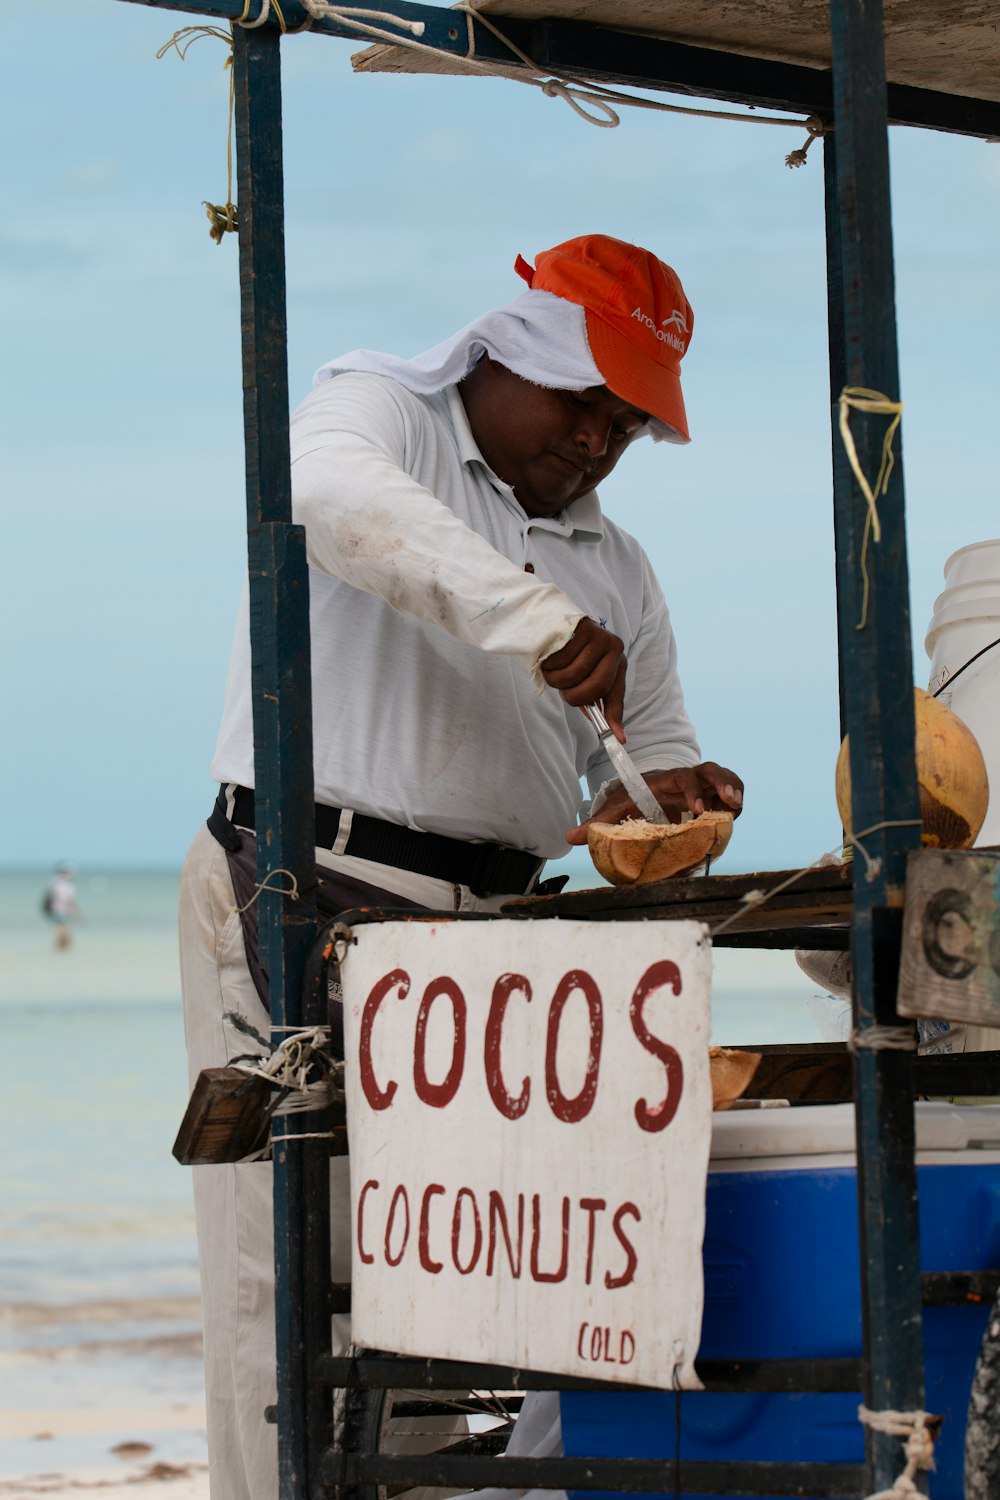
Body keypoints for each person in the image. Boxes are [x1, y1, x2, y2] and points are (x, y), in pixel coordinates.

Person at [178, 232, 743, 1500]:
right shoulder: (378, 404)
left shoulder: (619, 566)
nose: (597, 441)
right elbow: (324, 497)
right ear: (510, 352)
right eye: (581, 403)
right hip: (302, 879)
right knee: (297, 1267)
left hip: (492, 932)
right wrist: (531, 620)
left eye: (626, 425)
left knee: (461, 1265)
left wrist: (676, 794)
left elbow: (642, 757)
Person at [43, 863, 79, 951]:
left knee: (60, 929)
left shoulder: (54, 882)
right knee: (64, 930)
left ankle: (60, 949)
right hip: (62, 910)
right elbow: (68, 900)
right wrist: (75, 912)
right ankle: (62, 949)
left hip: (54, 910)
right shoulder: (66, 885)